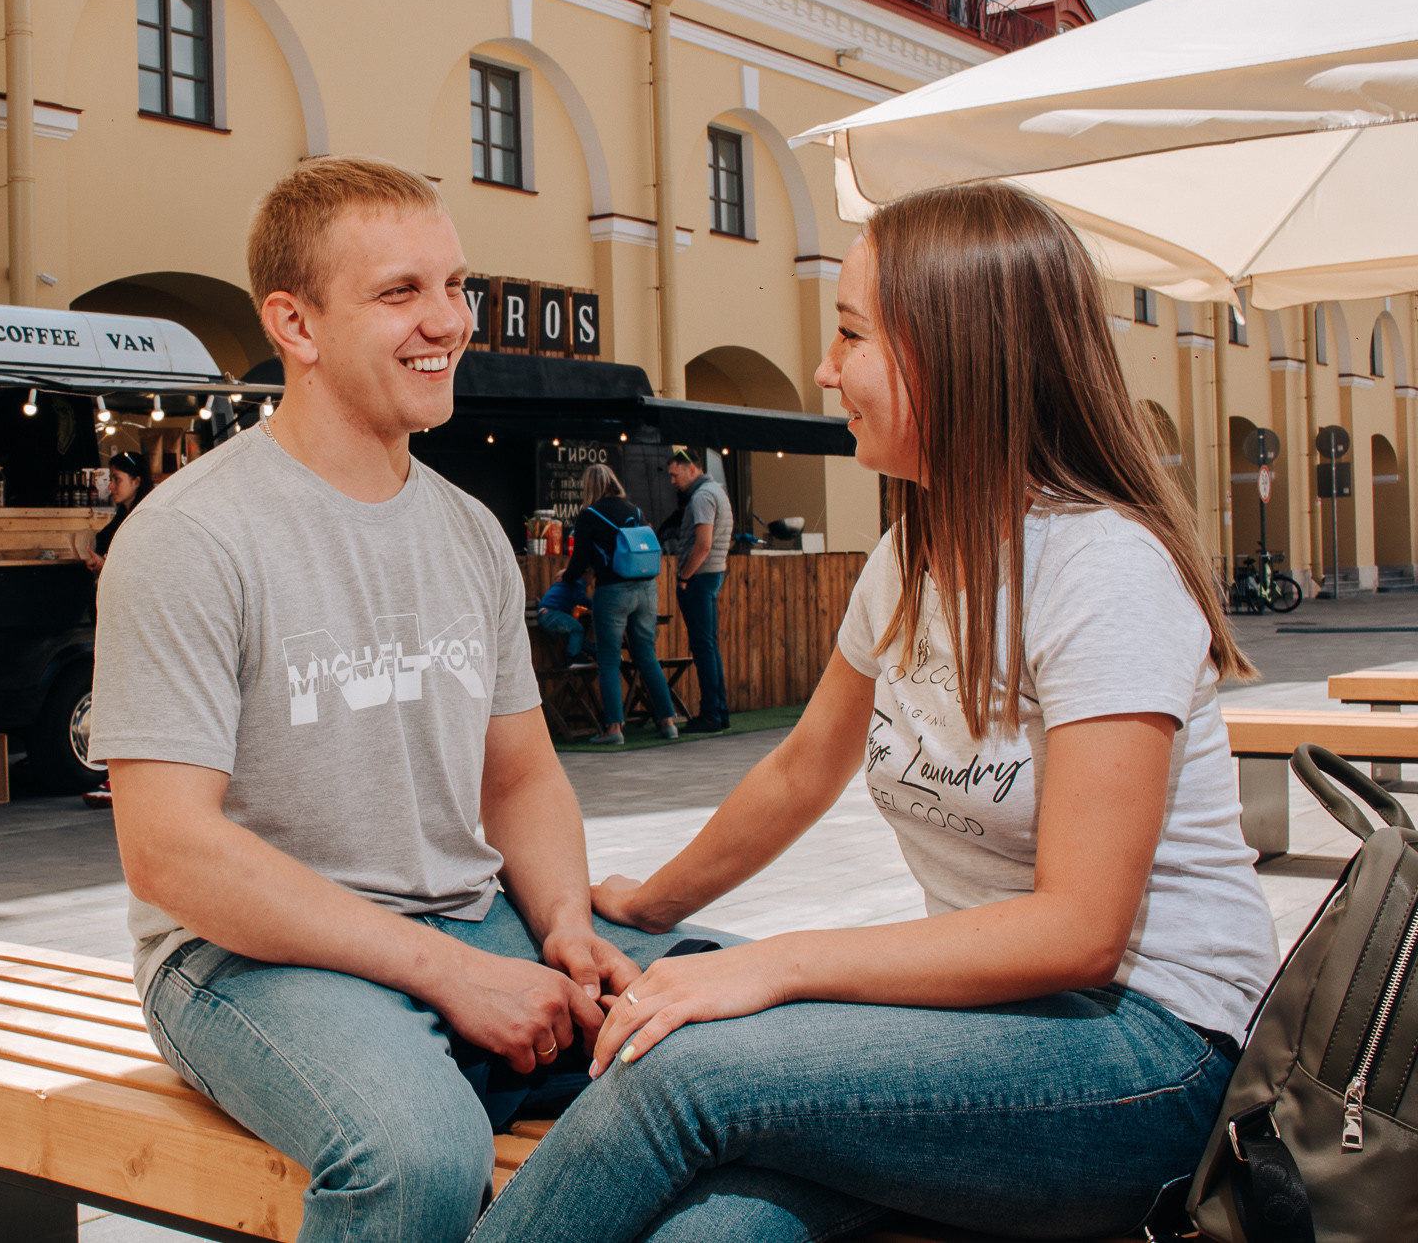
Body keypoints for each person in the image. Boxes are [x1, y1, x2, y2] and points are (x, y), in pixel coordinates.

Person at [465, 181, 1281, 1243]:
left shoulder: (1101, 569)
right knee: (716, 1225)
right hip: (993, 1027)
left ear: (953, 352)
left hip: (1150, 1057)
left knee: (685, 1063)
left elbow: (1079, 933)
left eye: (848, 333)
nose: (822, 368)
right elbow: (802, 767)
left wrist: (775, 962)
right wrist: (653, 907)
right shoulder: (913, 554)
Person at [90, 157, 716, 1243]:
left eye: (454, 286)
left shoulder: (466, 531)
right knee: (418, 1153)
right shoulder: (190, 536)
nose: (448, 321)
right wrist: (456, 977)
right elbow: (170, 856)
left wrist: (565, 927)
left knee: (747, 1039)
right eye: (400, 293)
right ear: (295, 323)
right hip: (245, 962)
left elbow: (518, 776)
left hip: (475, 924)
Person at [561, 464, 678, 745]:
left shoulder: (590, 515)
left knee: (609, 660)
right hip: (647, 588)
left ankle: (614, 729)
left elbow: (580, 560)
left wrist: (566, 577)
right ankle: (668, 722)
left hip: (612, 591)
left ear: (590, 487)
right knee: (646, 656)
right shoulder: (635, 511)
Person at [666, 448, 732, 733]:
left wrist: (683, 575)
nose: (672, 480)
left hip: (700, 578)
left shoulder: (702, 496)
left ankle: (711, 715)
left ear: (691, 468)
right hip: (713, 574)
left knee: (703, 646)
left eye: (674, 473)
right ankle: (719, 711)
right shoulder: (716, 491)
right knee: (709, 645)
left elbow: (703, 544)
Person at [82, 451, 148, 574]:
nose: (110, 486)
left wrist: (105, 565)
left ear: (136, 482)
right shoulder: (121, 517)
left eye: (117, 479)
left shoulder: (145, 520)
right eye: (110, 480)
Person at [533, 572, 592, 662]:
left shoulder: (557, 587)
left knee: (575, 637)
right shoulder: (576, 582)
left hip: (545, 617)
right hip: (552, 615)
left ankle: (595, 653)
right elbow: (581, 598)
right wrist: (597, 606)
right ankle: (574, 658)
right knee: (577, 629)